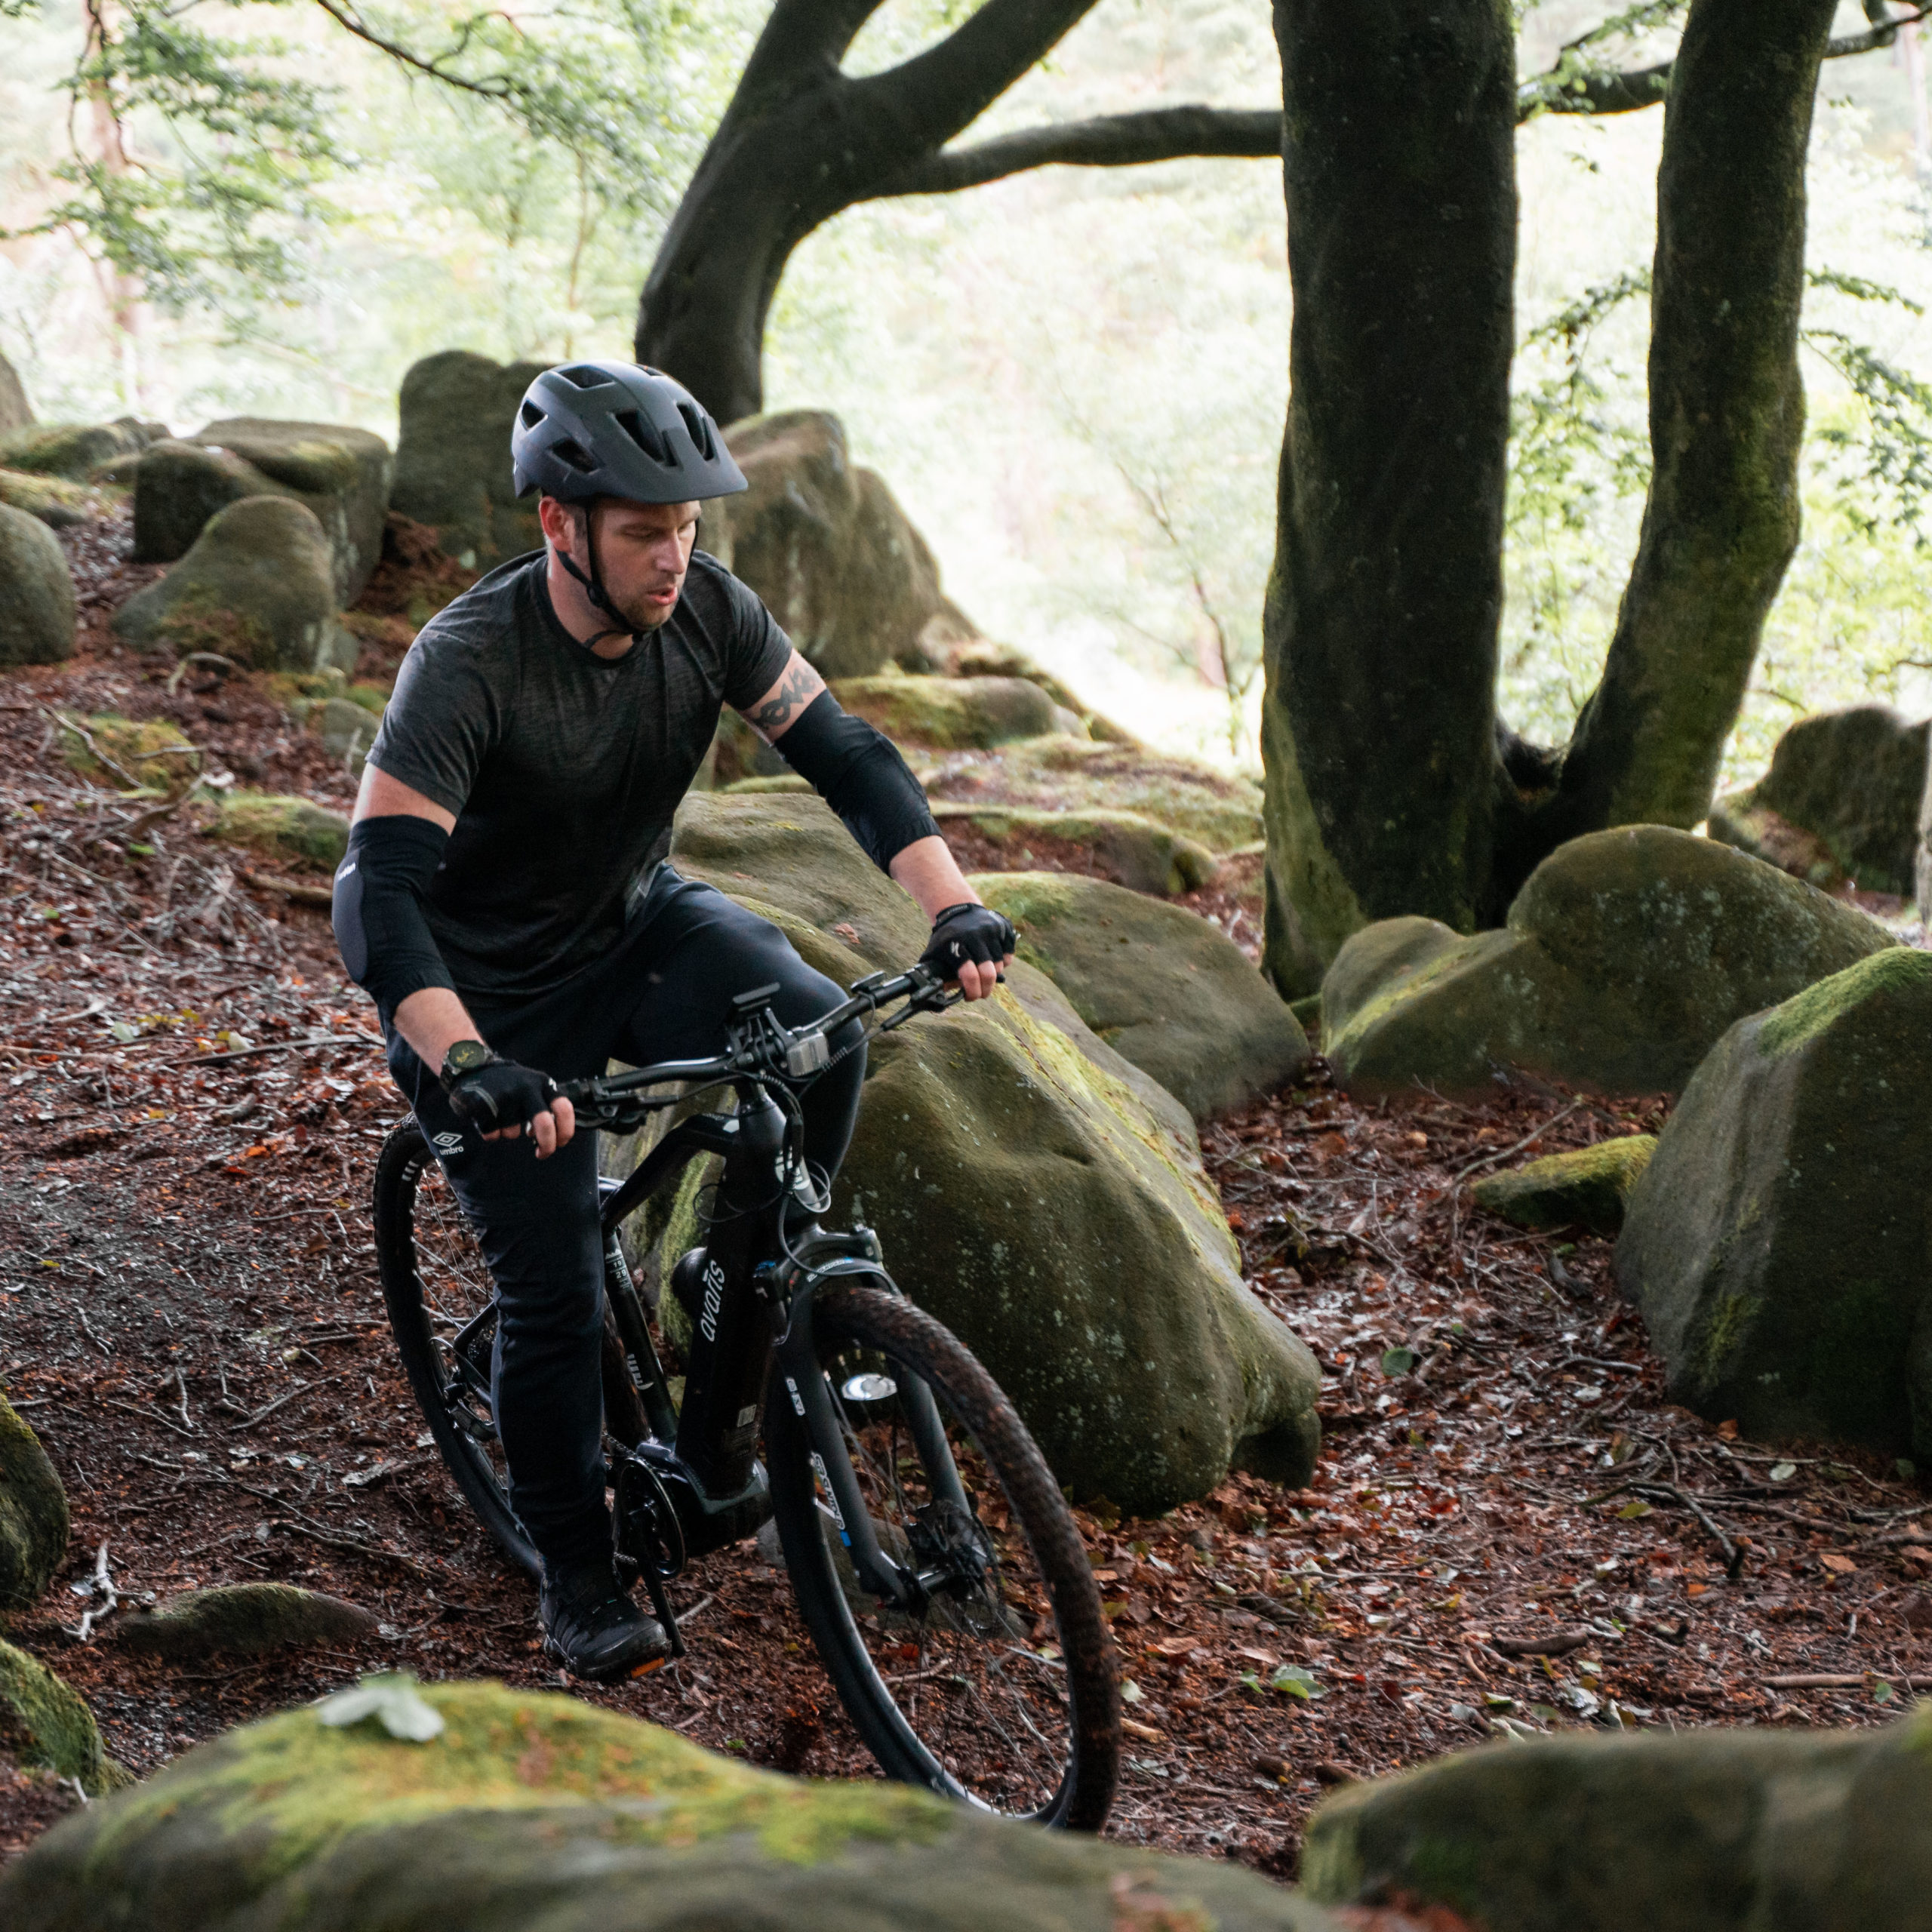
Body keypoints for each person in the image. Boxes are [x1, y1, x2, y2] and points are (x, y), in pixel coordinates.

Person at [331, 359, 1014, 1679]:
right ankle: (578, 1583)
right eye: (646, 531)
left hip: (635, 925)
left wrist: (953, 904)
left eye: (689, 527)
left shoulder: (707, 611)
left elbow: (848, 756)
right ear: (559, 527)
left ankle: (727, 1288)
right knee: (554, 1293)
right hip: (490, 1006)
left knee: (827, 1034)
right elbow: (379, 892)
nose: (674, 557)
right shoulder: (469, 661)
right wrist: (465, 1061)